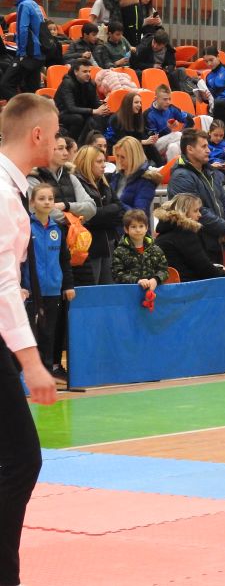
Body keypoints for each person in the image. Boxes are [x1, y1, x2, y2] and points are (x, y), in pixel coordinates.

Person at [0, 93, 60, 586]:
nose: (59, 144)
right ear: (37, 134)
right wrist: (33, 362)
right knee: (21, 460)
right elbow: (1, 285)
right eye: (56, 135)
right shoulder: (3, 194)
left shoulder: (10, 187)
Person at [24, 183, 75, 378]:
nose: (47, 202)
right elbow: (19, 260)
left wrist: (67, 285)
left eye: (50, 199)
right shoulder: (25, 227)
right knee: (30, 334)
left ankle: (45, 374)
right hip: (30, 292)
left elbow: (64, 260)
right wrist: (20, 286)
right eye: (41, 198)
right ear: (32, 203)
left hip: (53, 291)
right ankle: (28, 375)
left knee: (48, 334)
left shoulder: (58, 229)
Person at [168, 130, 225, 263]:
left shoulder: (210, 171)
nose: (209, 151)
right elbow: (196, 212)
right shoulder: (181, 177)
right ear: (190, 149)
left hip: (214, 242)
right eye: (204, 147)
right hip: (195, 246)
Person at [72, 145, 124, 285]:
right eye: (99, 162)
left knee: (108, 290)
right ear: (87, 163)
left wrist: (101, 214)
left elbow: (120, 209)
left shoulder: (103, 182)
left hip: (109, 244)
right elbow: (88, 217)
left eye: (104, 161)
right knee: (92, 290)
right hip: (89, 247)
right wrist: (107, 214)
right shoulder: (77, 183)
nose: (103, 165)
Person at [154, 193, 225, 282]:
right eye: (195, 211)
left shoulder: (164, 233)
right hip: (186, 285)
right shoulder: (185, 234)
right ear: (184, 212)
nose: (200, 215)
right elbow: (204, 269)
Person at [27, 135, 97, 227]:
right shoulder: (33, 179)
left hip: (73, 235)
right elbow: (41, 212)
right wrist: (76, 219)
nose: (66, 153)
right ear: (46, 150)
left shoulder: (71, 177)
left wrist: (66, 205)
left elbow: (91, 207)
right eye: (60, 148)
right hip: (46, 234)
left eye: (66, 148)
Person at [0, 0, 44, 100]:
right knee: (30, 90)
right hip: (38, 54)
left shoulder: (23, 5)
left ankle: (20, 108)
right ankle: (30, 110)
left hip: (28, 54)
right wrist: (15, 37)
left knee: (5, 85)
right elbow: (35, 31)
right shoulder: (34, 5)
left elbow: (23, 30)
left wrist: (22, 53)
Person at [54, 60, 111, 141]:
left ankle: (98, 141)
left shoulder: (91, 84)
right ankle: (72, 142)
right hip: (62, 113)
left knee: (104, 115)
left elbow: (96, 102)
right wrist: (93, 111)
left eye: (89, 71)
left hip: (81, 111)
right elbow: (71, 108)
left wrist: (104, 108)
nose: (88, 74)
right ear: (76, 72)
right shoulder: (67, 83)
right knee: (78, 118)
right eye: (84, 71)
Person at [111, 209, 169, 289]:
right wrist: (137, 281)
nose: (138, 230)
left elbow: (164, 270)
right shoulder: (119, 251)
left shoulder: (156, 250)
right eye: (133, 227)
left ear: (146, 228)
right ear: (126, 229)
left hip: (153, 292)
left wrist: (156, 279)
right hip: (129, 292)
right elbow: (117, 274)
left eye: (141, 226)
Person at [110, 136, 161, 221]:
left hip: (133, 228)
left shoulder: (146, 180)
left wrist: (116, 205)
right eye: (117, 156)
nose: (119, 160)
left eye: (123, 157)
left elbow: (140, 214)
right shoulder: (116, 176)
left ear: (133, 157)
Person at [145, 85, 192, 162]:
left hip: (171, 140)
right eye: (165, 99)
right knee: (178, 135)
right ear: (156, 99)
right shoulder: (148, 114)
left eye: (169, 99)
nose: (168, 102)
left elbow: (190, 120)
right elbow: (152, 139)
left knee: (173, 147)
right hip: (153, 147)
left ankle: (175, 168)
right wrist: (168, 128)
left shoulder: (171, 108)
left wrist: (183, 130)